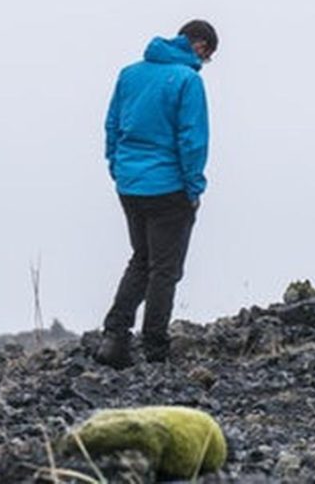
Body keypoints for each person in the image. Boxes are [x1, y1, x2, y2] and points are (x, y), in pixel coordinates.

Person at [95, 19, 218, 369]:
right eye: (207, 56)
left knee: (142, 258)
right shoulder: (187, 80)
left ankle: (114, 337)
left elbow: (112, 125)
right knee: (165, 268)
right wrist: (194, 187)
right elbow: (192, 139)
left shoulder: (130, 74)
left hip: (130, 185)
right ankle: (156, 348)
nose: (204, 63)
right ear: (200, 46)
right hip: (169, 187)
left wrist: (117, 167)